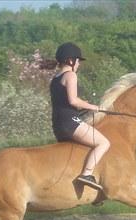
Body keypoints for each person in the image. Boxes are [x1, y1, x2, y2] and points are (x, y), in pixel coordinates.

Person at [46, 42, 110, 190]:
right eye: (78, 60)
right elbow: (73, 100)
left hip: (58, 125)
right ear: (71, 61)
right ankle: (87, 174)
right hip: (70, 123)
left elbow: (66, 103)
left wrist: (83, 105)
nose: (79, 64)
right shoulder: (70, 75)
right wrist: (96, 108)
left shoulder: (55, 78)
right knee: (103, 143)